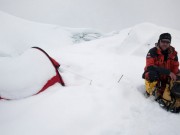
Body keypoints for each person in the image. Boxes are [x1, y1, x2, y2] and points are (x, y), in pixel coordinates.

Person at [142, 33, 179, 104]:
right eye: (163, 41)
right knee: (153, 74)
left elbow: (175, 67)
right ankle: (151, 91)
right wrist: (168, 72)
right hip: (155, 75)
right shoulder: (152, 51)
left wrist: (174, 77)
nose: (165, 44)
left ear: (170, 43)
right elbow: (150, 67)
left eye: (167, 42)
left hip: (166, 77)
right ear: (159, 41)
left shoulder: (174, 54)